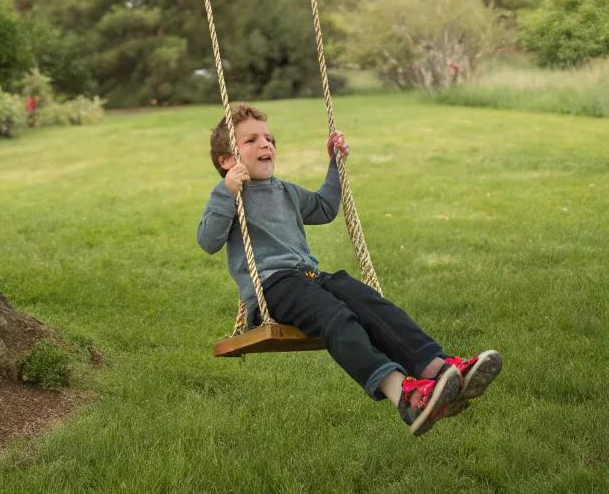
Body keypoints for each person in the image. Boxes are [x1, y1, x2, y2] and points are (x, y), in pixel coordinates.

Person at [197, 102, 502, 436]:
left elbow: (326, 207)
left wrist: (335, 163)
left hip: (308, 279)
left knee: (368, 302)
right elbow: (208, 240)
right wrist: (227, 191)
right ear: (227, 160)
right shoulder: (228, 194)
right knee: (336, 316)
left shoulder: (286, 191)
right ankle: (403, 394)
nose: (265, 144)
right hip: (273, 290)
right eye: (251, 140)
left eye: (269, 139)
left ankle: (440, 370)